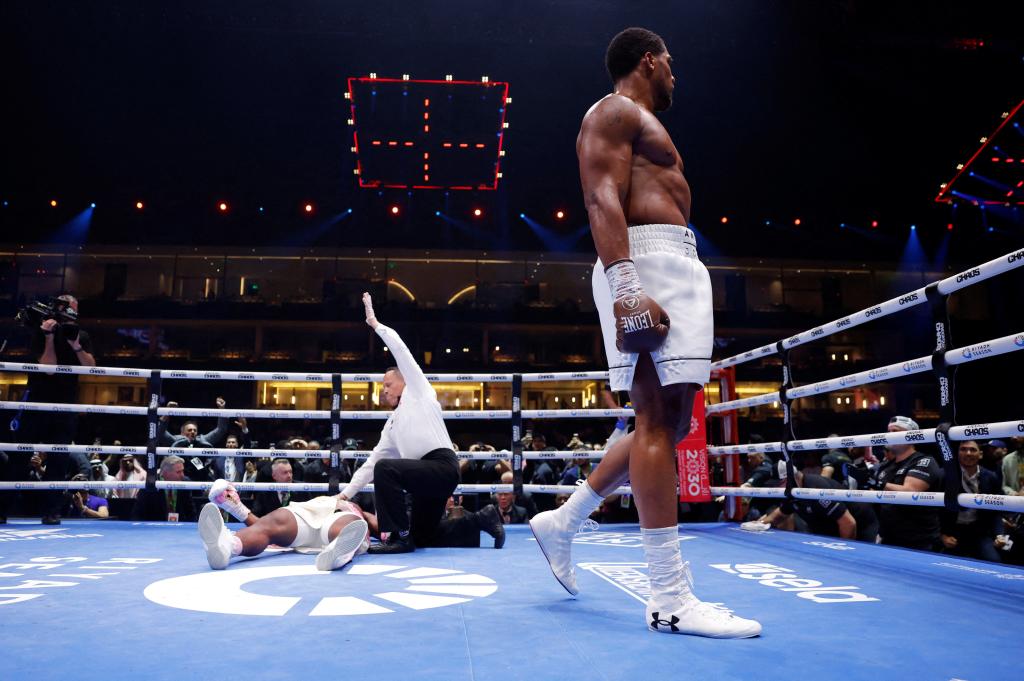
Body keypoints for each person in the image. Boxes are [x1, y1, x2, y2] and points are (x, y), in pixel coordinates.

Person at [530, 27, 760, 638]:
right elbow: (601, 197)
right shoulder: (613, 111)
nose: (676, 76)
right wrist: (627, 284)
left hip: (675, 262)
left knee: (672, 421)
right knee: (657, 419)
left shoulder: (643, 123)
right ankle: (669, 597)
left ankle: (567, 518)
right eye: (671, 65)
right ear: (650, 61)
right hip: (646, 261)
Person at [336, 292, 460, 554]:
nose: (384, 390)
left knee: (387, 469)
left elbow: (401, 351)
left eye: (388, 384)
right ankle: (483, 519)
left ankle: (397, 538)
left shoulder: (419, 390)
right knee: (423, 536)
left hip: (441, 467)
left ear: (403, 381)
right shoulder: (392, 425)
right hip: (423, 480)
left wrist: (376, 325)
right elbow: (371, 463)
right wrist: (345, 494)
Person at [19, 294, 96, 524]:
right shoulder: (40, 333)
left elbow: (91, 368)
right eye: (68, 306)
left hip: (64, 405)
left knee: (59, 460)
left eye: (74, 306)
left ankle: (51, 511)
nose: (71, 310)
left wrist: (76, 347)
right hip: (37, 403)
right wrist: (49, 337)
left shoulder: (80, 336)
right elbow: (49, 369)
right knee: (21, 455)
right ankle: (5, 507)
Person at [200, 479, 369, 571]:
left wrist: (387, 534)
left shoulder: (354, 509)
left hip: (329, 518)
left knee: (349, 523)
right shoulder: (330, 501)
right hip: (306, 514)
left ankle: (339, 552)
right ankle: (228, 546)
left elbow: (381, 527)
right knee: (270, 524)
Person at [848, 415, 943, 550]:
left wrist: (877, 483)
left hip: (919, 540)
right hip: (889, 537)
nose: (889, 435)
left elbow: (911, 492)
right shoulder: (885, 466)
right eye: (888, 431)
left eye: (895, 431)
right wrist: (863, 481)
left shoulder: (923, 461)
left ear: (910, 436)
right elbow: (875, 495)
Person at [748, 460, 878, 542]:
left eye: (780, 483)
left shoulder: (815, 488)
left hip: (861, 525)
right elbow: (780, 514)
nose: (778, 488)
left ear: (791, 478)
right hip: (832, 528)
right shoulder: (793, 491)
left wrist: (844, 549)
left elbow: (848, 523)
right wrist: (759, 523)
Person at [940, 440, 1002, 562]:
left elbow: (997, 510)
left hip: (979, 532)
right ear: (957, 453)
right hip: (950, 531)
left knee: (994, 561)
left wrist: (999, 535)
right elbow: (932, 509)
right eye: (963, 449)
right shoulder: (944, 475)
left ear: (981, 454)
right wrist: (941, 536)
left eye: (973, 450)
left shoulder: (991, 477)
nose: (968, 453)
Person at [129, 455, 197, 522]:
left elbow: (190, 511)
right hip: (155, 527)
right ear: (165, 473)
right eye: (178, 472)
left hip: (179, 527)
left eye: (182, 471)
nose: (182, 475)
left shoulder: (185, 482)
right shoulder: (151, 485)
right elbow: (137, 514)